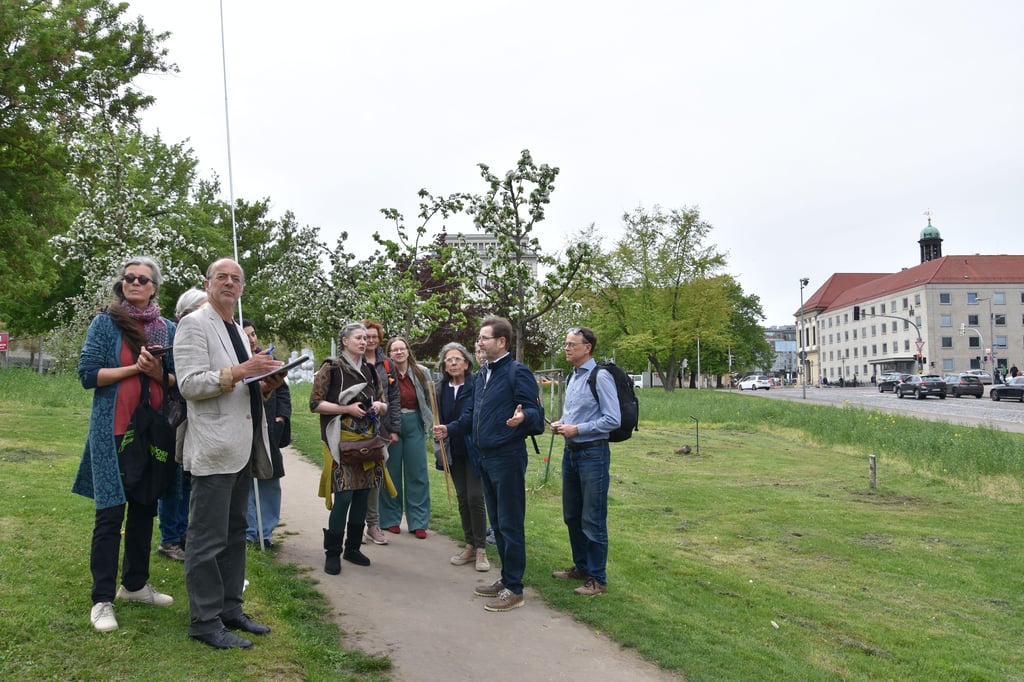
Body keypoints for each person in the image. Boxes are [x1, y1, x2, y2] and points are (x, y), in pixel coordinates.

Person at [174, 258, 284, 650]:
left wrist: (266, 382)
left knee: (236, 533)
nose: (229, 283)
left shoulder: (236, 327)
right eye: (221, 277)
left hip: (243, 447)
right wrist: (242, 371)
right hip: (214, 448)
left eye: (236, 279)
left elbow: (243, 385)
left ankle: (230, 609)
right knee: (206, 539)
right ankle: (204, 622)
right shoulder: (193, 324)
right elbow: (189, 384)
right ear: (207, 283)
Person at [73, 256, 177, 633]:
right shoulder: (106, 322)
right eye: (129, 278)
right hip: (113, 431)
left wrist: (159, 374)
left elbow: (179, 383)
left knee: (144, 508)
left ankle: (134, 585)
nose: (135, 283)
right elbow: (88, 375)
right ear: (122, 284)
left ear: (154, 287)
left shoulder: (169, 328)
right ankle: (102, 599)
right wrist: (137, 369)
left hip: (152, 432)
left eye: (143, 279)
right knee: (110, 513)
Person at [434, 316, 543, 612]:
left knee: (510, 523)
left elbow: (535, 413)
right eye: (479, 338)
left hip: (507, 458)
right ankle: (506, 580)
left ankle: (515, 589)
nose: (479, 343)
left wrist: (523, 418)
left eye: (484, 338)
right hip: (483, 458)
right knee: (497, 524)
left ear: (501, 342)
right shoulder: (482, 376)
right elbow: (472, 416)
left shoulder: (517, 372)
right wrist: (451, 429)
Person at [310, 322, 388, 575]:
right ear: (344, 341)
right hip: (341, 442)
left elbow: (383, 403)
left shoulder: (370, 370)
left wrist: (378, 407)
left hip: (368, 442)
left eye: (366, 338)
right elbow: (316, 404)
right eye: (358, 337)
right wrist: (346, 409)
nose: (364, 341)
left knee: (363, 494)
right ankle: (332, 553)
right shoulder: (331, 368)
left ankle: (352, 548)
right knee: (343, 496)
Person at [549, 327, 620, 596]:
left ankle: (597, 579)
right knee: (572, 515)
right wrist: (563, 425)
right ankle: (581, 567)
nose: (566, 348)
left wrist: (577, 429)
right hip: (572, 453)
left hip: (593, 453)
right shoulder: (572, 377)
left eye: (571, 344)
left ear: (587, 347)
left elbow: (613, 420)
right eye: (565, 343)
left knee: (592, 518)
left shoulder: (599, 376)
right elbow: (576, 415)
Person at [155, 288, 207, 562]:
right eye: (202, 307)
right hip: (174, 415)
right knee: (173, 480)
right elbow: (168, 374)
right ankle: (169, 539)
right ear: (185, 311)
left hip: (194, 415)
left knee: (187, 478)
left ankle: (182, 533)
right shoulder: (173, 332)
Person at [436, 342, 490, 572]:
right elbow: (437, 414)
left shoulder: (476, 384)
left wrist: (450, 428)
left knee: (475, 497)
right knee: (462, 498)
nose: (454, 362)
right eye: (449, 360)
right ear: (444, 366)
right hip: (453, 449)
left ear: (467, 363)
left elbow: (471, 415)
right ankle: (469, 545)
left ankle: (481, 549)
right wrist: (439, 430)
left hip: (474, 448)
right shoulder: (441, 388)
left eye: (458, 359)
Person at [242, 319, 292, 549]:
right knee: (246, 483)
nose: (252, 339)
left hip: (269, 428)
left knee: (270, 478)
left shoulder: (268, 361)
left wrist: (281, 418)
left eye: (253, 334)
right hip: (243, 428)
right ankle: (249, 531)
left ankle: (266, 531)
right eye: (246, 335)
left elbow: (283, 392)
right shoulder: (234, 360)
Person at [379, 336, 433, 538]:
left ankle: (418, 521)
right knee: (391, 472)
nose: (399, 352)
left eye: (402, 349)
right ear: (389, 354)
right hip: (392, 423)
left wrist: (430, 422)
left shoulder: (421, 372)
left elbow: (428, 399)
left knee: (417, 473)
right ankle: (390, 518)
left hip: (414, 422)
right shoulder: (384, 373)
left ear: (408, 351)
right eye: (395, 350)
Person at [361, 319, 400, 546]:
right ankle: (354, 526)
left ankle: (373, 525)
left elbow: (393, 397)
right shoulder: (352, 362)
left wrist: (394, 428)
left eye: (375, 336)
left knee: (375, 478)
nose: (371, 340)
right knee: (354, 479)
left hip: (380, 429)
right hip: (355, 429)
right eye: (367, 336)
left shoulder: (386, 364)